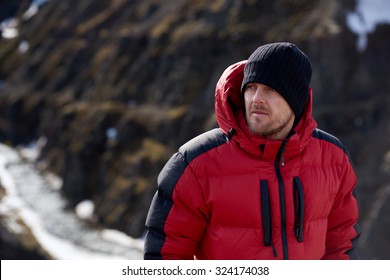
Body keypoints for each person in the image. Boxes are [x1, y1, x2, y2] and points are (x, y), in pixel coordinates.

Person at [143, 42, 360, 260]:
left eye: (271, 89)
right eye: (251, 87)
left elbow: (341, 248)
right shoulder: (194, 163)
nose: (256, 99)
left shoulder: (333, 158)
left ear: (296, 99)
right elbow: (165, 258)